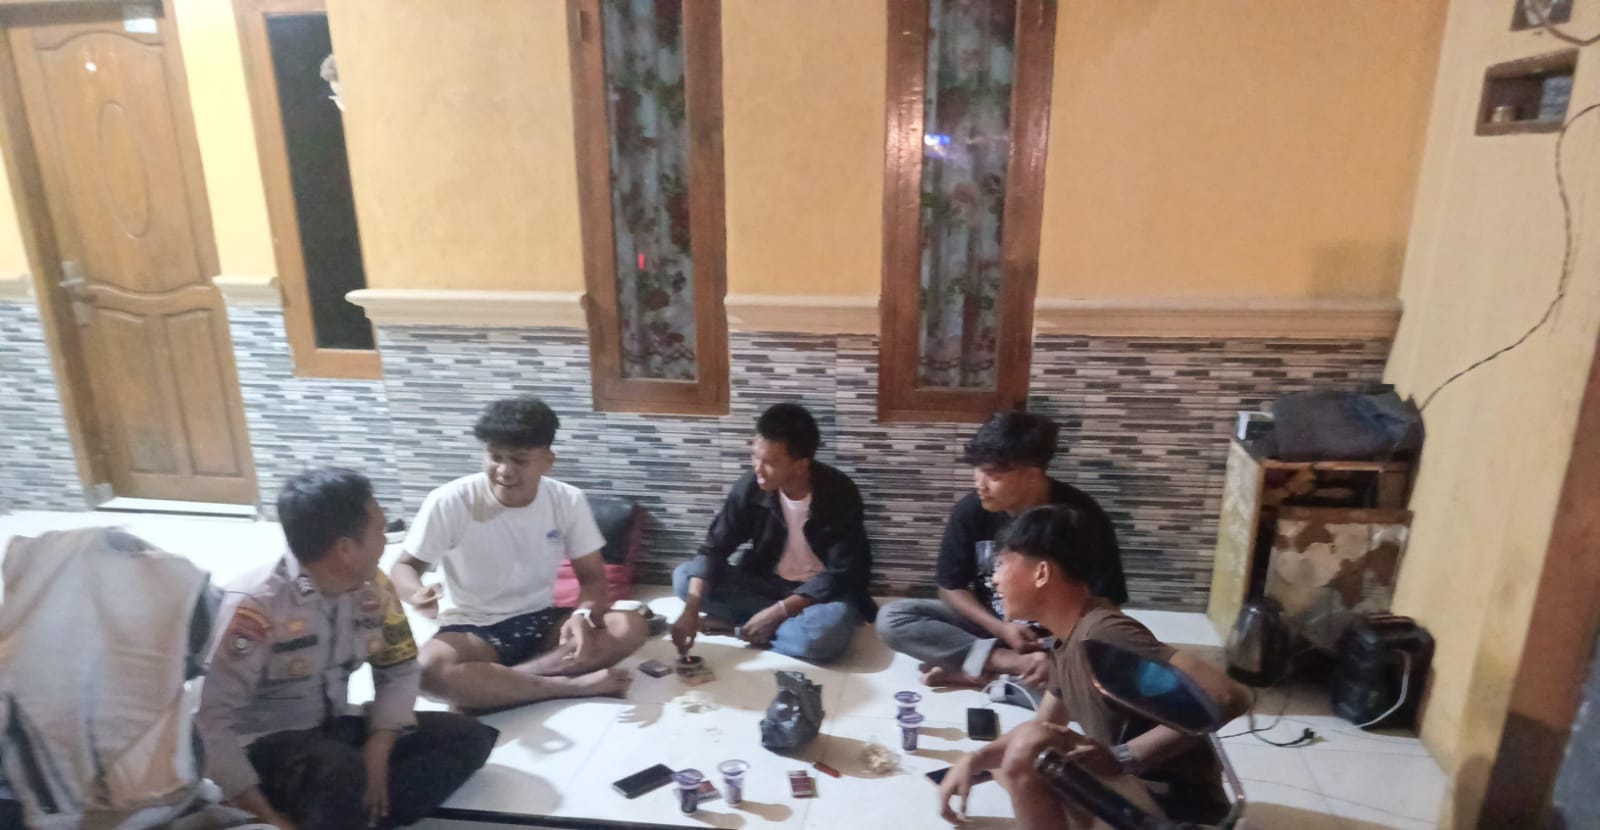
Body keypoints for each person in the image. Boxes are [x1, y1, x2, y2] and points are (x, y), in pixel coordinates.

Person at [196, 468, 497, 830]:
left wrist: (379, 744)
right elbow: (212, 722)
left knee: (467, 737)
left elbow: (399, 670)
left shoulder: (374, 588)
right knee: (339, 772)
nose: (385, 543)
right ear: (345, 549)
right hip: (267, 751)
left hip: (334, 731)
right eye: (379, 532)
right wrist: (268, 818)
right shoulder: (256, 606)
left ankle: (351, 814)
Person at [935, 505, 1249, 829]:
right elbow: (1046, 722)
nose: (994, 579)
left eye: (1001, 564)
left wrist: (1124, 756)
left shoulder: (1104, 633)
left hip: (1175, 809)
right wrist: (973, 760)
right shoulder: (1064, 638)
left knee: (1028, 751)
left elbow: (1229, 696)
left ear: (1041, 573)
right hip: (1135, 794)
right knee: (1008, 761)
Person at [391, 396, 647, 711]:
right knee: (427, 671)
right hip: (474, 630)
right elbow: (404, 567)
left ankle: (497, 684)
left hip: (542, 620)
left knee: (631, 625)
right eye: (495, 457)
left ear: (548, 461)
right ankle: (565, 686)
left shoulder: (568, 500)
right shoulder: (450, 500)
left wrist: (581, 614)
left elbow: (593, 578)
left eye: (519, 460)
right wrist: (415, 593)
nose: (504, 471)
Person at [877, 411, 1127, 692]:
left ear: (1031, 474)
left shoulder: (1079, 517)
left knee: (1102, 675)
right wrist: (1002, 629)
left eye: (993, 475)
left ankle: (983, 670)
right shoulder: (970, 512)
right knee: (893, 619)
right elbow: (951, 588)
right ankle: (1009, 666)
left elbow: (1105, 601)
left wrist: (1061, 648)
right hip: (989, 627)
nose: (979, 483)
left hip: (1052, 638)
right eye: (977, 470)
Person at [671, 402, 874, 663]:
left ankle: (741, 627)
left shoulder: (839, 493)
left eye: (770, 462)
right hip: (766, 584)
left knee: (821, 639)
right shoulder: (750, 487)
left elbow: (842, 573)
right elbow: (714, 549)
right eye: (755, 456)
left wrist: (779, 612)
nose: (758, 468)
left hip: (819, 596)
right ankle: (767, 625)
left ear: (800, 465)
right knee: (685, 578)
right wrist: (691, 610)